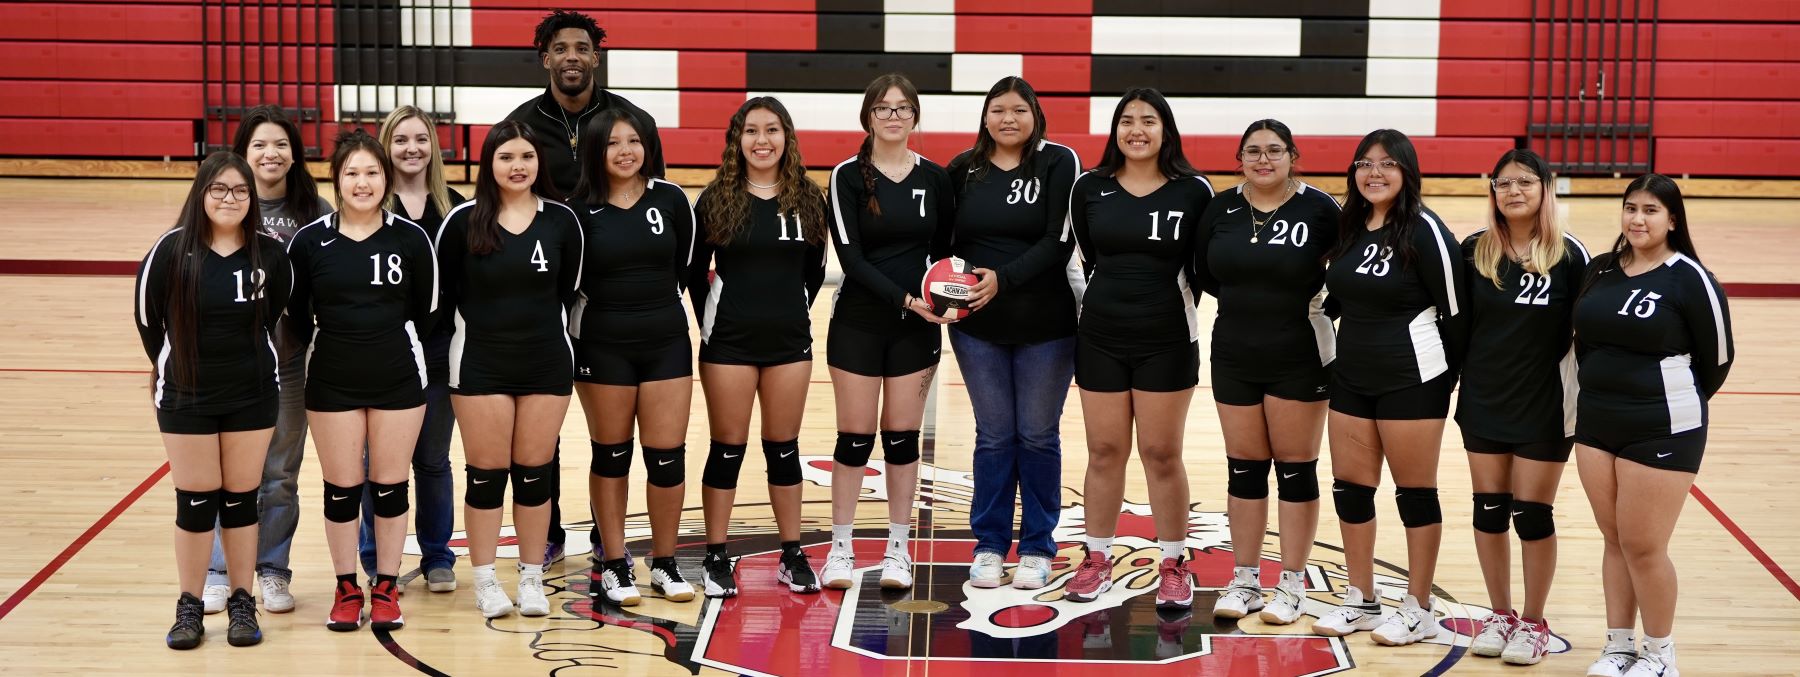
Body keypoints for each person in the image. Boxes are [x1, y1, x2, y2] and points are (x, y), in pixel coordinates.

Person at [502, 9, 663, 563]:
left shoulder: (631, 121)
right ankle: (546, 533)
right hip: (544, 294)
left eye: (581, 48)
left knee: (611, 435)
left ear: (596, 56)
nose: (571, 56)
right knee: (539, 424)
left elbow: (655, 198)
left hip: (614, 301)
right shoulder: (521, 124)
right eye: (560, 48)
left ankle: (607, 535)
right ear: (545, 57)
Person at [1311, 129, 1467, 645]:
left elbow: (1456, 312)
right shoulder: (1349, 226)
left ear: (1407, 171)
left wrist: (1443, 383)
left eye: (1387, 163)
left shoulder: (1425, 229)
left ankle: (1419, 607)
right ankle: (1362, 598)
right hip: (1353, 377)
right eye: (1364, 163)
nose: (1374, 172)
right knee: (1351, 491)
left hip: (1413, 380)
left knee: (1414, 494)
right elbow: (1339, 298)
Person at [1573, 174, 1732, 677]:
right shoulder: (1600, 270)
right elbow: (1583, 340)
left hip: (1663, 425)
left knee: (1644, 545)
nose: (1638, 219)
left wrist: (1669, 399)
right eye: (1630, 208)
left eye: (1650, 211)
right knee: (1614, 538)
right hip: (1596, 421)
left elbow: (1718, 360)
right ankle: (1618, 646)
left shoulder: (1689, 278)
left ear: (1672, 220)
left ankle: (1660, 653)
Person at [1061, 88, 1214, 609]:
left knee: (1161, 453)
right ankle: (1096, 557)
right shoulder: (1089, 189)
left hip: (1167, 341)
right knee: (1104, 452)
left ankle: (1174, 562)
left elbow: (1204, 268)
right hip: (1101, 339)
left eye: (1149, 121)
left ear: (1166, 130)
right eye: (1127, 121)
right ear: (1115, 130)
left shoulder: (1194, 191)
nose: (1137, 130)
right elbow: (1077, 258)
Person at [136, 152, 291, 648]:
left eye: (240, 191)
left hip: (252, 393)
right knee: (196, 503)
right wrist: (174, 367)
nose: (229, 199)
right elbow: (148, 322)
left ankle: (243, 601)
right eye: (219, 189)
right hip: (186, 395)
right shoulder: (170, 251)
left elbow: (277, 318)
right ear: (201, 193)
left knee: (244, 501)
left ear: (252, 198)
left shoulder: (270, 256)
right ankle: (190, 605)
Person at [286, 129, 439, 631]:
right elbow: (296, 313)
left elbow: (425, 309)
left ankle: (388, 586)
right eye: (351, 172)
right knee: (341, 489)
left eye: (372, 171)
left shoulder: (410, 238)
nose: (362, 181)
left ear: (387, 178)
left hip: (398, 376)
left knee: (392, 486)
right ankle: (347, 586)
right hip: (332, 379)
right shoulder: (310, 242)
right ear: (336, 180)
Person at [1193, 120, 1340, 624]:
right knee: (1245, 469)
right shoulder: (1221, 207)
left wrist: (1315, 309)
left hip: (1299, 353)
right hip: (1233, 351)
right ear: (1239, 159)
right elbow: (1203, 271)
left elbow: (1346, 272)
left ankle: (1293, 582)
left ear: (1293, 156)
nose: (1263, 159)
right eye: (1252, 151)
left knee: (1296, 469)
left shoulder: (1321, 210)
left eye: (1275, 150)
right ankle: (1246, 578)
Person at [436, 121, 584, 618]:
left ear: (539, 163)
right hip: (480, 362)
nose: (517, 166)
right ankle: (483, 581)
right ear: (489, 164)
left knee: (534, 476)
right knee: (486, 475)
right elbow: (444, 296)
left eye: (526, 157)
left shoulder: (561, 222)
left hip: (546, 362)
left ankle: (532, 578)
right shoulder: (462, 222)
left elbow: (568, 291)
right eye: (506, 157)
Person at [686, 97, 829, 598]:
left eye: (772, 130)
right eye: (751, 131)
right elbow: (693, 273)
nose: (762, 140)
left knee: (783, 448)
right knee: (728, 448)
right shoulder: (715, 199)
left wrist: (788, 309)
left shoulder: (810, 198)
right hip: (728, 343)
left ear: (787, 137)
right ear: (736, 140)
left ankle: (792, 553)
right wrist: (716, 319)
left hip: (789, 342)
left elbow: (813, 273)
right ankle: (716, 555)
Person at [943, 77, 1081, 590]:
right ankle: (990, 544)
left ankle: (1039, 547)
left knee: (1039, 437)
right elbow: (944, 242)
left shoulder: (1058, 163)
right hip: (977, 326)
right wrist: (946, 291)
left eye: (1018, 110)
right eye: (997, 110)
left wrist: (1004, 279)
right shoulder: (963, 169)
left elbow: (1059, 240)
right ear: (984, 117)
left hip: (1046, 325)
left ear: (1035, 115)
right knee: (995, 436)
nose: (1007, 119)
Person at [820, 73, 955, 591]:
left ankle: (899, 548)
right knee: (854, 438)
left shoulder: (936, 179)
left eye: (902, 108)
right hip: (858, 322)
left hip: (916, 329)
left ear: (915, 117)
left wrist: (943, 301)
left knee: (901, 440)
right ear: (868, 116)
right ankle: (840, 549)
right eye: (883, 108)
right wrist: (906, 301)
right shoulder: (847, 176)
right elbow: (850, 258)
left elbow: (945, 253)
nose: (893, 115)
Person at [1456, 149, 1590, 665]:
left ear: (1545, 189)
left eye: (1525, 183)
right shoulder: (1474, 253)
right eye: (1504, 183)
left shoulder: (1570, 256)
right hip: (1484, 398)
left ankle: (1533, 621)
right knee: (1488, 513)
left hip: (1546, 404)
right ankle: (1500, 614)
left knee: (1532, 516)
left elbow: (1591, 329)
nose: (1513, 191)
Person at [204, 105, 334, 615]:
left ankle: (273, 570)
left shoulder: (316, 208)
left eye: (280, 143)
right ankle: (219, 571)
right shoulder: (224, 204)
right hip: (233, 363)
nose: (270, 153)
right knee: (231, 474)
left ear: (295, 153)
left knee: (280, 472)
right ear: (242, 152)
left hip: (292, 362)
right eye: (259, 144)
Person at [568, 107, 697, 606]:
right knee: (612, 455)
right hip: (603, 346)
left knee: (667, 459)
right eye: (613, 143)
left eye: (634, 141)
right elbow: (567, 283)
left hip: (666, 343)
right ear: (596, 152)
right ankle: (615, 563)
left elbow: (687, 268)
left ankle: (664, 563)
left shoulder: (671, 200)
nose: (625, 151)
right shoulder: (578, 211)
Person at [356, 105, 468, 592]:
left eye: (420, 138)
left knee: (433, 459)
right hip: (381, 353)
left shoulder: (457, 207)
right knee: (376, 463)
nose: (411, 148)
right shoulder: (367, 209)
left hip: (440, 349)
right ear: (386, 145)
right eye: (400, 139)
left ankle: (438, 556)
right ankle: (376, 558)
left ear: (434, 146)